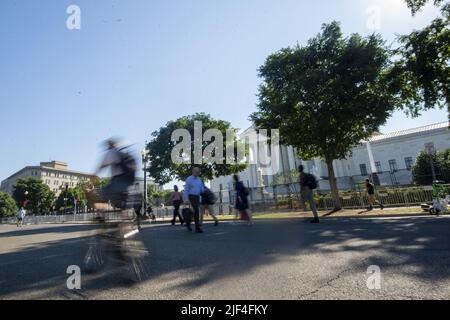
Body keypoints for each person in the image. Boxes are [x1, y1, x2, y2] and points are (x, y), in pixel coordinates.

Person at [184, 167, 204, 233]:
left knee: (193, 212)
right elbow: (186, 190)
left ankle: (188, 224)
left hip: (197, 197)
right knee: (196, 211)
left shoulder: (199, 180)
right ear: (193, 171)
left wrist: (203, 192)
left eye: (198, 172)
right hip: (191, 197)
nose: (198, 173)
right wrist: (186, 199)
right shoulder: (189, 179)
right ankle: (197, 228)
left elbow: (201, 189)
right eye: (196, 171)